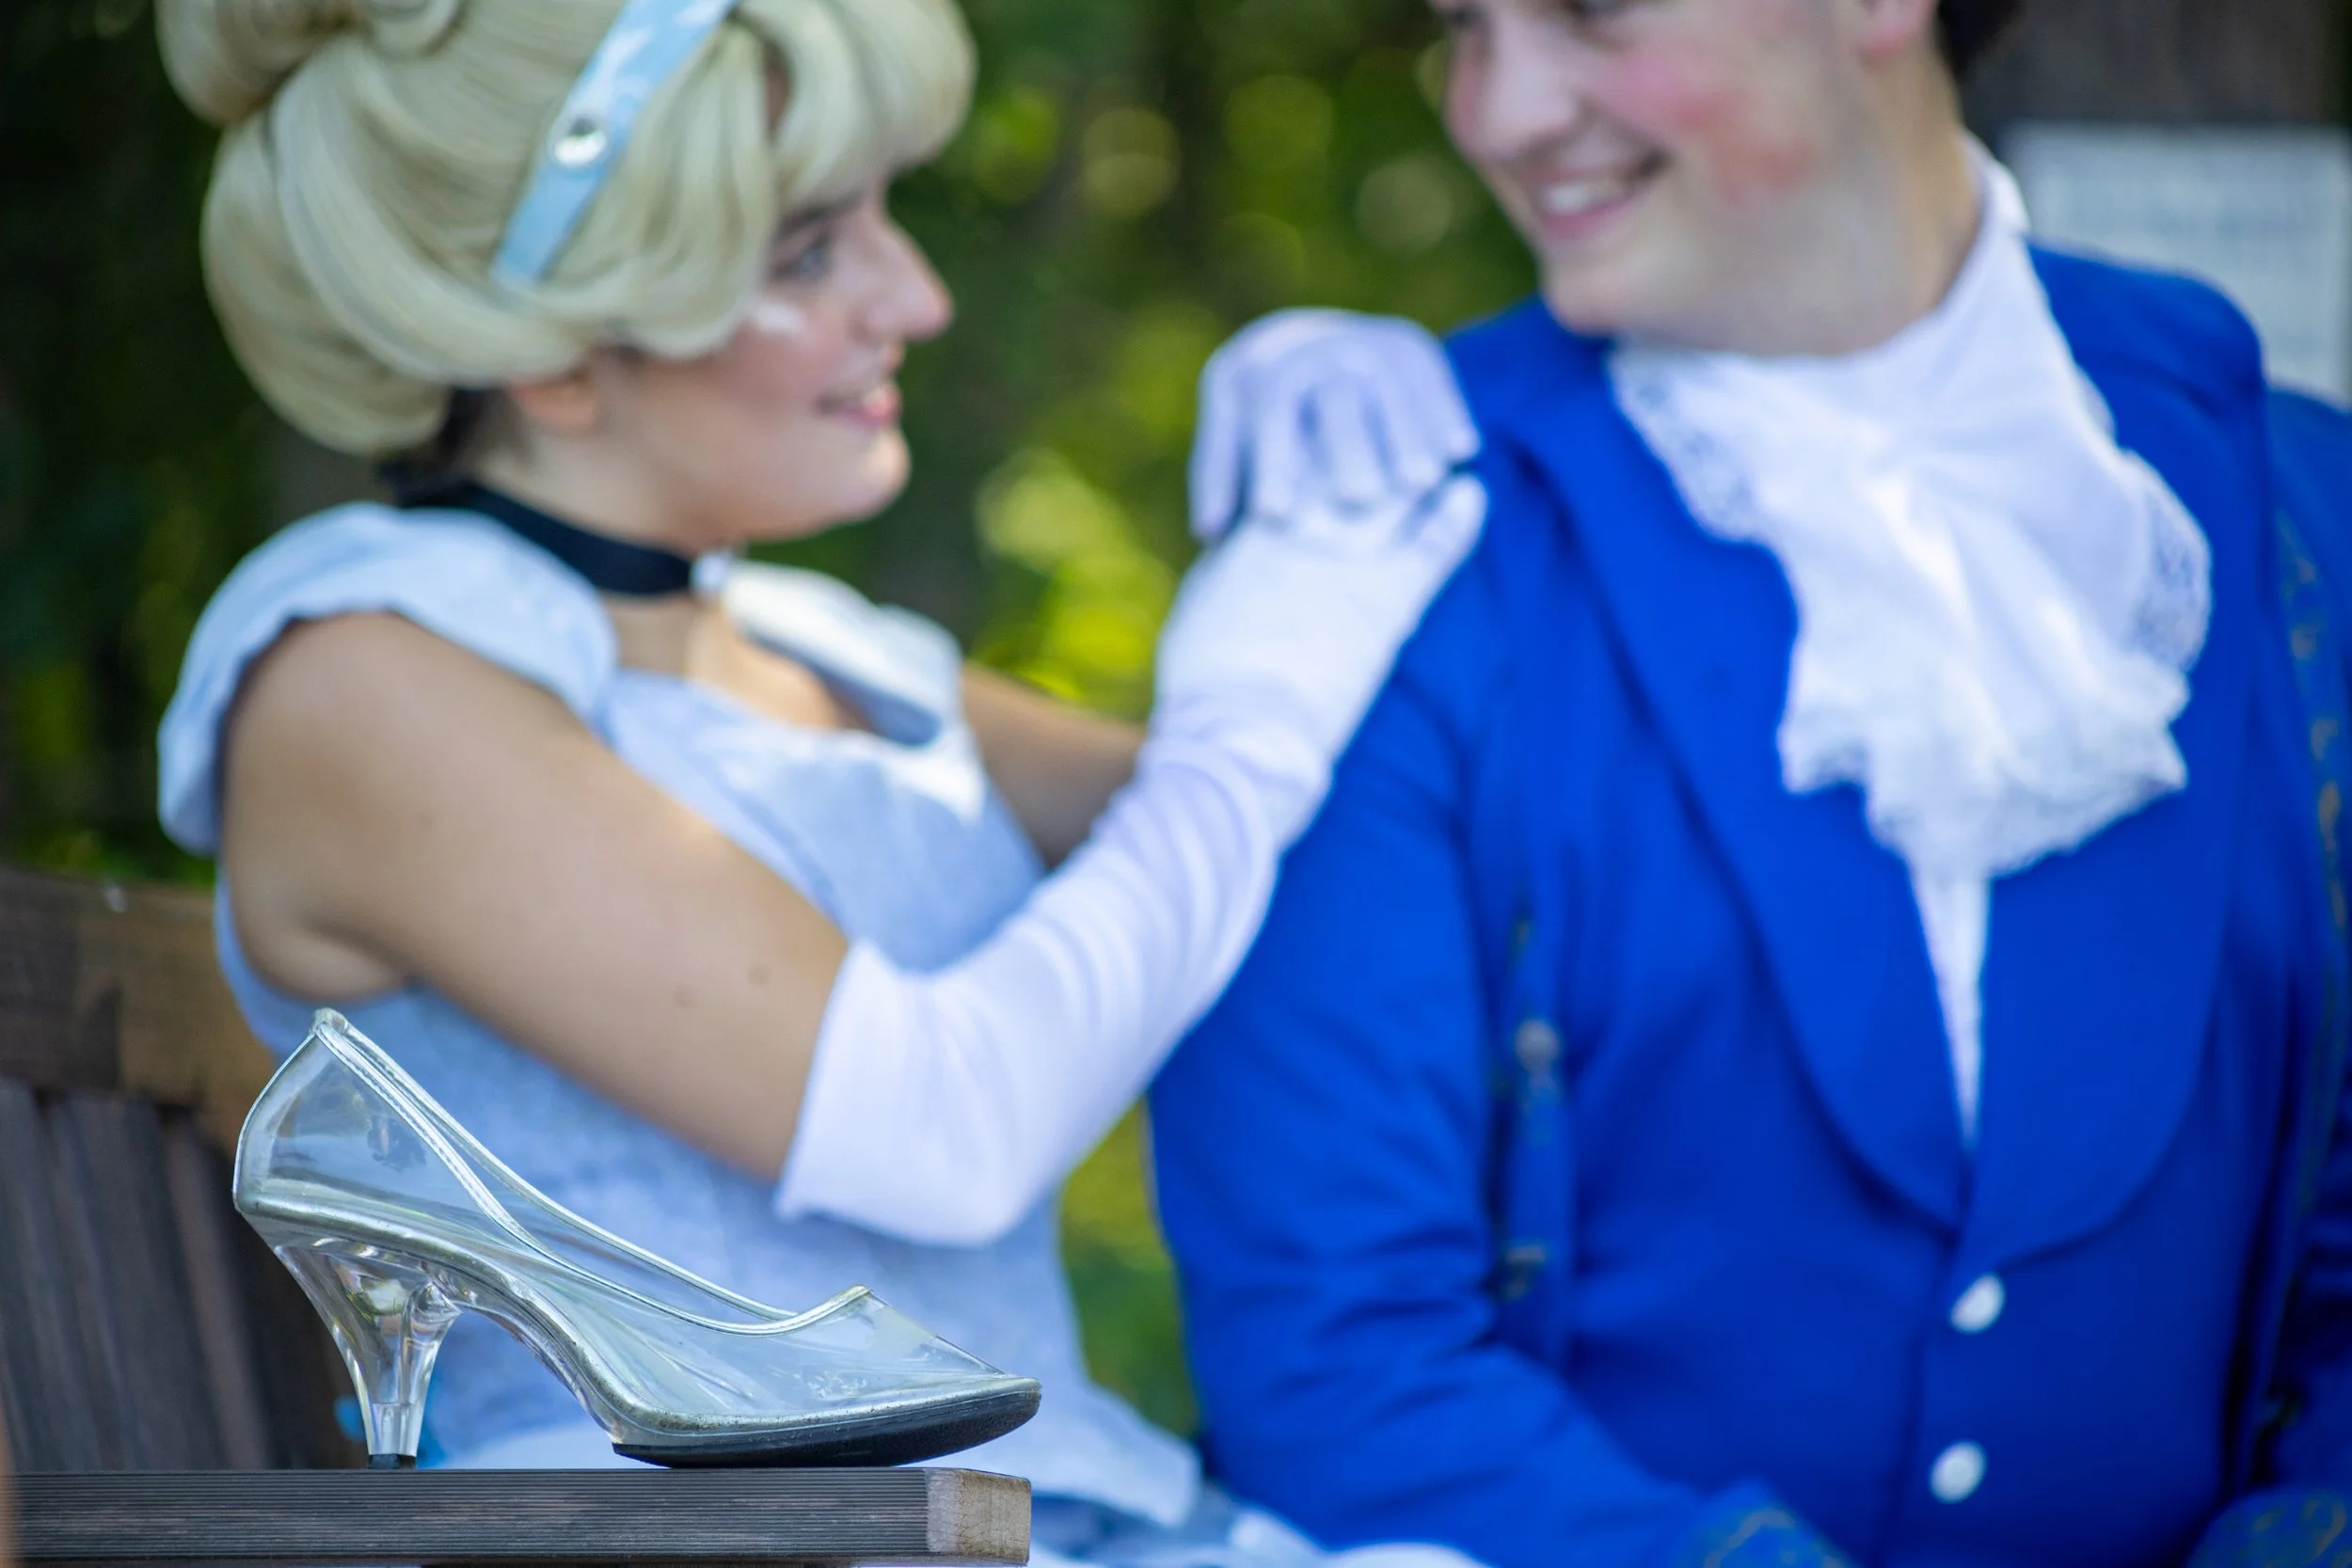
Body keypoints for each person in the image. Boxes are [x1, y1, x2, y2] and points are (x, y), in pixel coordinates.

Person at [149, 0, 1486, 1560]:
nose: (912, 297)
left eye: (878, 220)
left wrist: (1358, 487)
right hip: (713, 1539)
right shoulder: (364, 677)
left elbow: (1316, 851)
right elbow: (944, 1121)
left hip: (1043, 1521)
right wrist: (1251, 714)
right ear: (566, 350)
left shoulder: (821, 645)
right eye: (807, 254)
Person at [1151, 1, 2352, 1564]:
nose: (1498, 112)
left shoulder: (2302, 514)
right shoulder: (1385, 546)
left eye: (1586, 12)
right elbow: (1336, 1358)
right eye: (1464, 26)